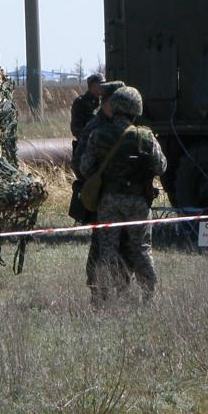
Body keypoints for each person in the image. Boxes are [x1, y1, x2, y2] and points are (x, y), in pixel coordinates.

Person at [76, 85, 166, 303]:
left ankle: (103, 296)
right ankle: (149, 297)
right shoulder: (145, 137)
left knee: (107, 250)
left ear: (114, 107)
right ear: (136, 110)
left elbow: (85, 168)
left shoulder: (98, 135)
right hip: (138, 202)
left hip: (109, 202)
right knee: (141, 249)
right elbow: (161, 167)